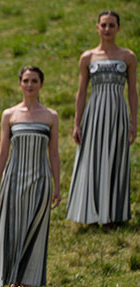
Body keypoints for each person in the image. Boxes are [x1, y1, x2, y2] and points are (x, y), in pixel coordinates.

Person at [0, 66, 61, 287]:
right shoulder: (10, 115)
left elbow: (54, 154)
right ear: (20, 84)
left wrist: (58, 186)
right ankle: (13, 282)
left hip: (40, 180)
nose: (30, 84)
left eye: (34, 80)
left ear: (41, 84)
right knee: (11, 231)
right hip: (13, 180)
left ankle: (24, 282)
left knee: (34, 230)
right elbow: (2, 152)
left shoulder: (50, 116)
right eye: (26, 80)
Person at [66, 11, 137, 225]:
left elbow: (133, 91)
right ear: (97, 27)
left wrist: (134, 122)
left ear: (118, 28)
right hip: (95, 114)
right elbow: (81, 92)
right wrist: (76, 123)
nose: (107, 29)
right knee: (92, 160)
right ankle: (91, 213)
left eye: (111, 25)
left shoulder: (128, 57)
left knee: (116, 159)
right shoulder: (88, 57)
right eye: (104, 25)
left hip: (117, 113)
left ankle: (113, 214)